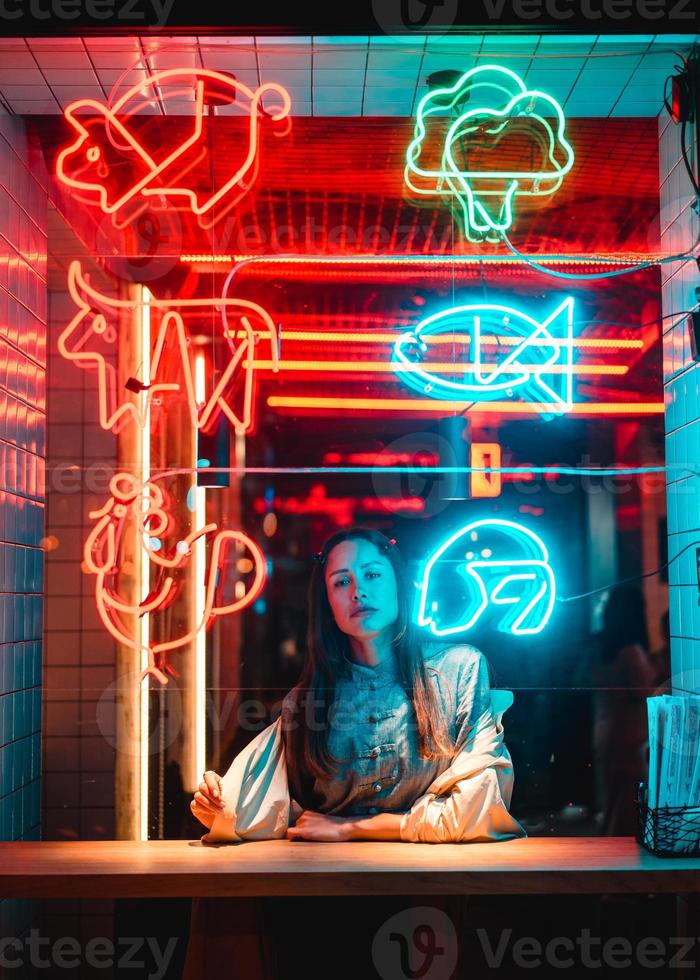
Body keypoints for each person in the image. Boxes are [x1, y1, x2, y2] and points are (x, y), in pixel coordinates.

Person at [184, 527, 525, 979]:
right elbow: (269, 810)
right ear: (326, 601)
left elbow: (480, 808)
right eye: (340, 581)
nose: (358, 590)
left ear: (399, 582)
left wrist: (352, 828)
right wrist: (222, 802)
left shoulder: (459, 669)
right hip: (319, 909)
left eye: (371, 574)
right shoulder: (306, 700)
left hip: (425, 902)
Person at [591, 585, 657, 837]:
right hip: (632, 734)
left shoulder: (598, 647)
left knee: (611, 799)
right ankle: (626, 858)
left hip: (605, 729)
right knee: (631, 801)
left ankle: (607, 853)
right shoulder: (632, 652)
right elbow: (645, 692)